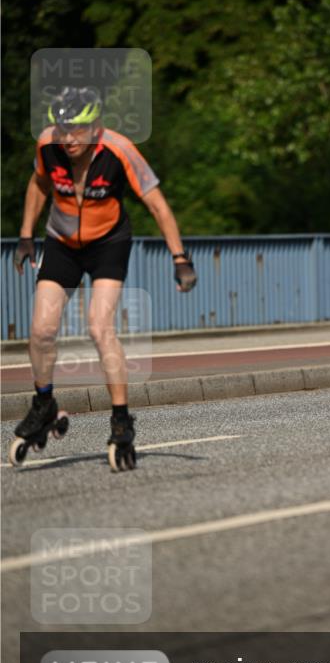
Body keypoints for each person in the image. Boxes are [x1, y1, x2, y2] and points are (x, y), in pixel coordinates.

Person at [11, 86, 197, 470]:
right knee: (41, 331)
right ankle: (44, 404)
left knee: (100, 327)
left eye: (76, 130)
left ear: (95, 126)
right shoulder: (48, 144)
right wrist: (26, 235)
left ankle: (121, 419)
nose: (68, 139)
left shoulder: (119, 150)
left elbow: (157, 205)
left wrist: (179, 258)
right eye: (62, 129)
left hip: (108, 242)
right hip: (61, 241)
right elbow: (38, 185)